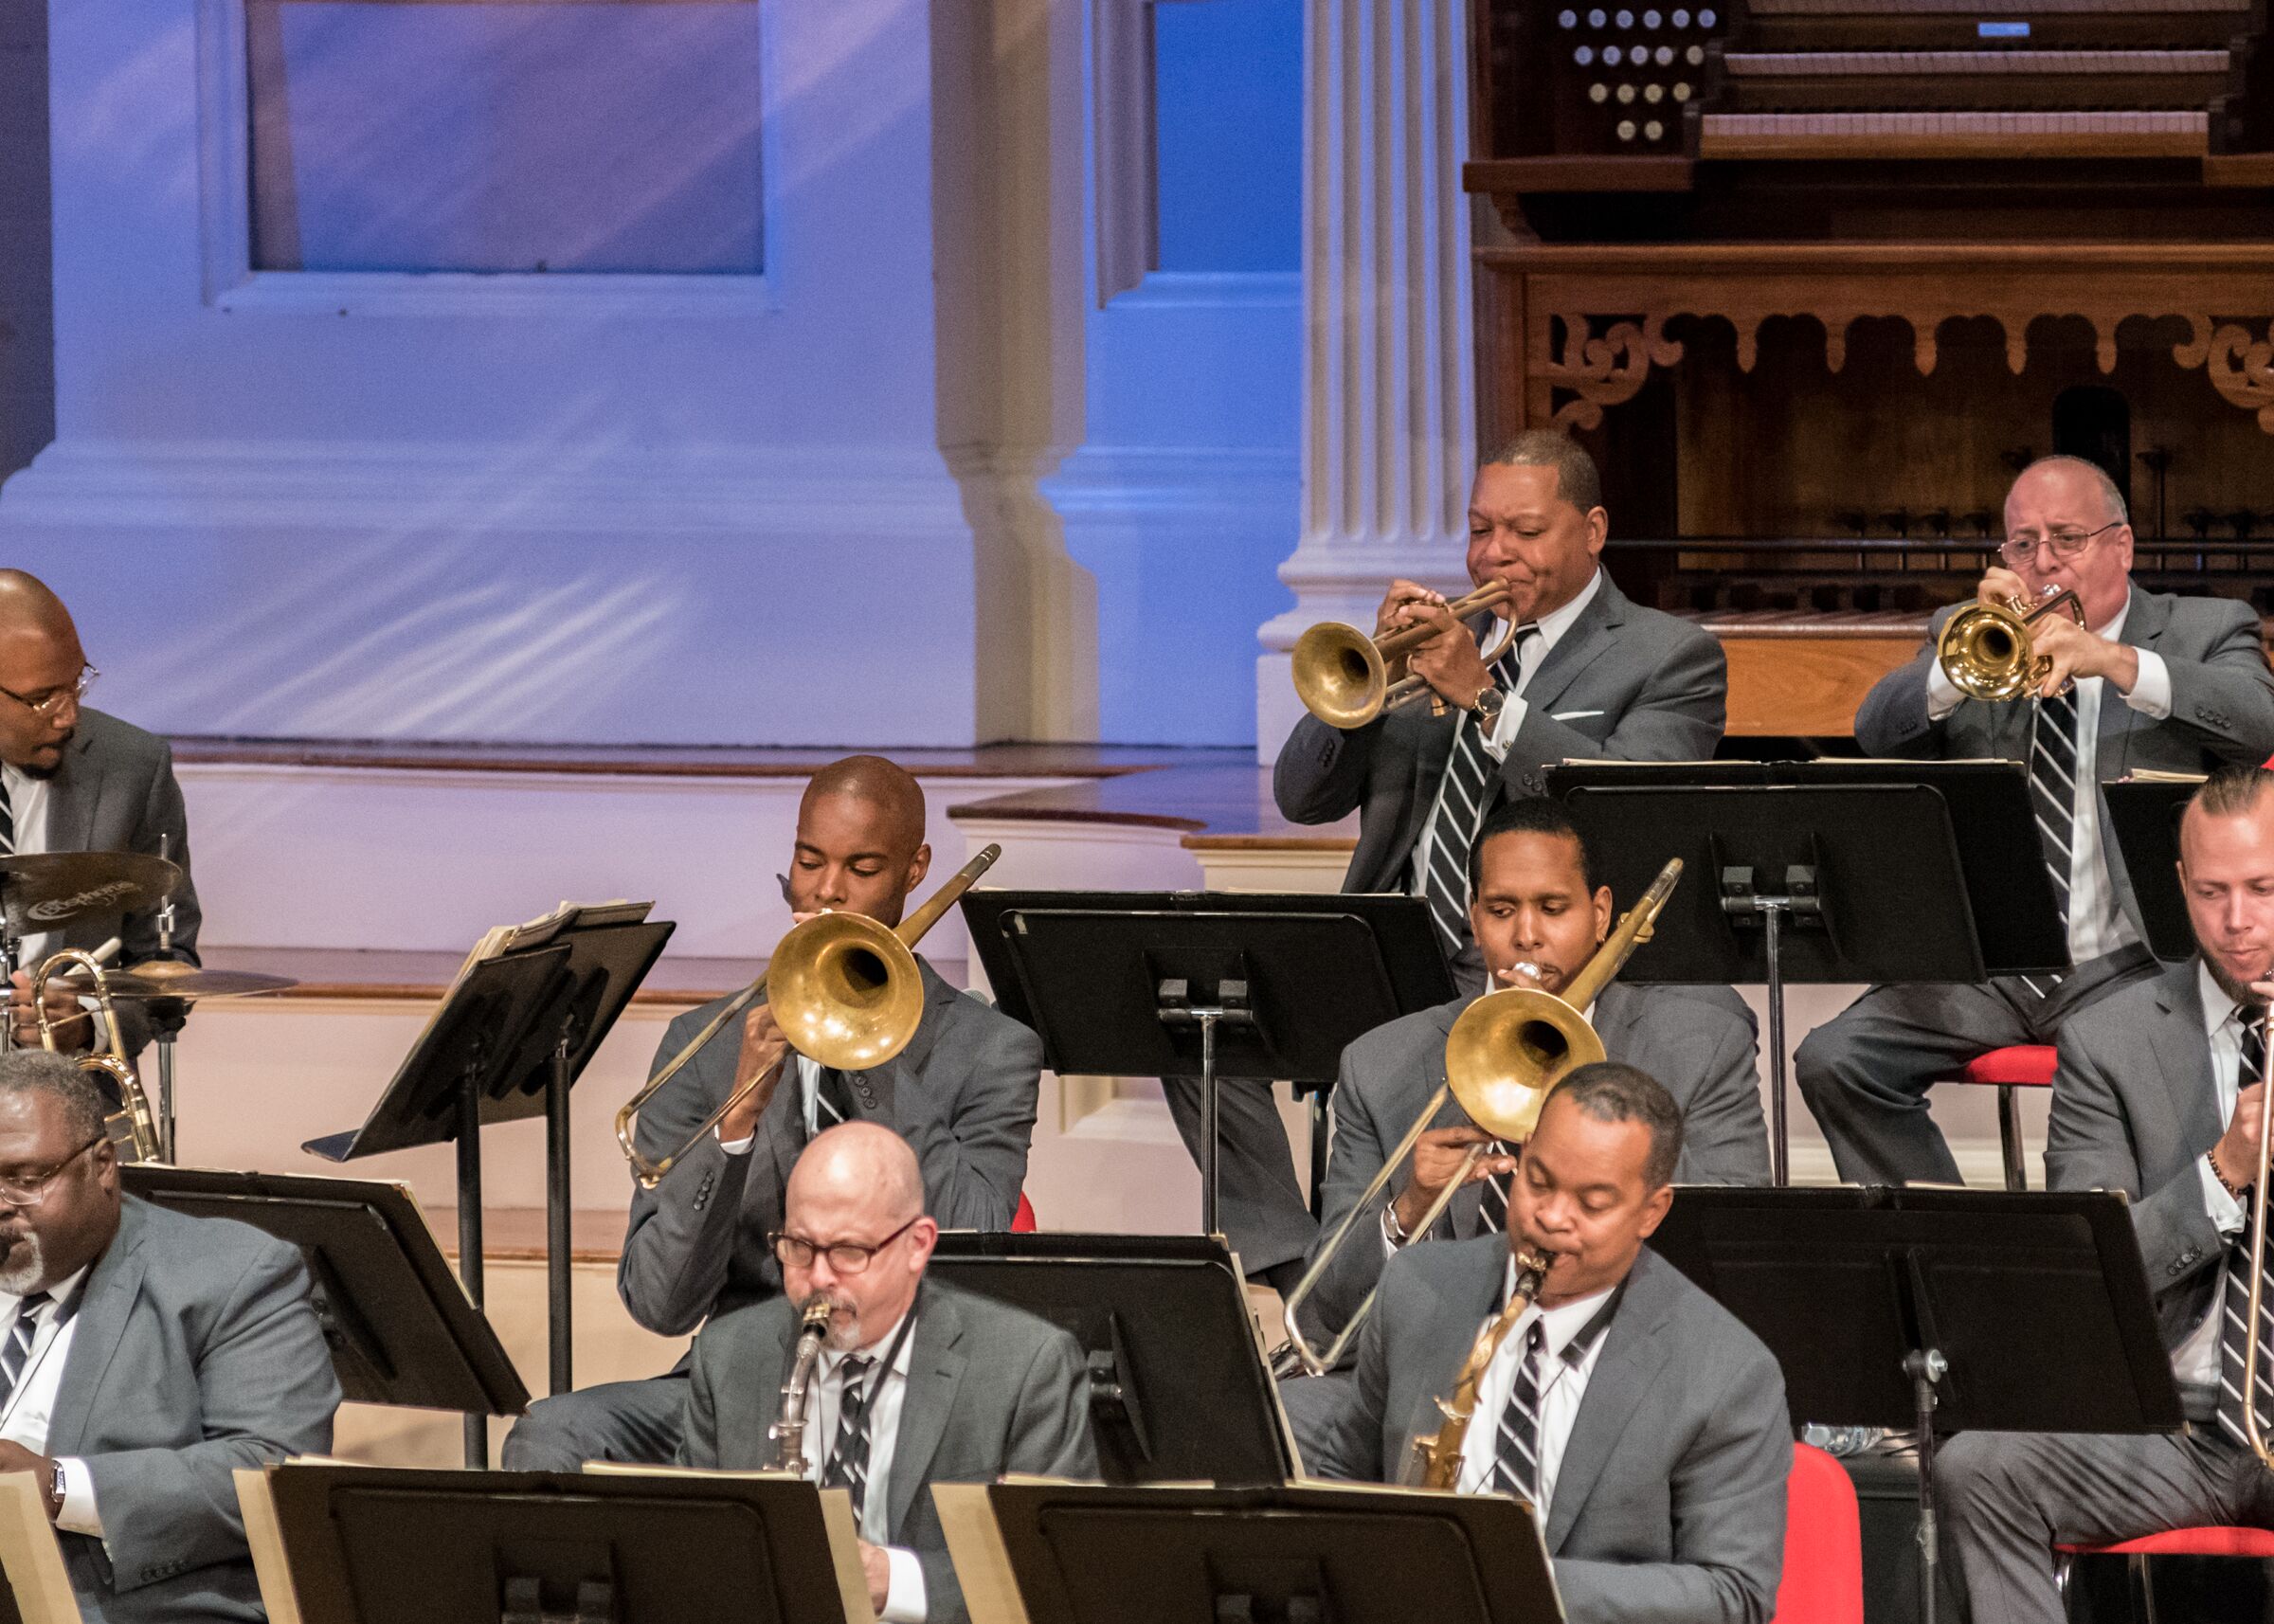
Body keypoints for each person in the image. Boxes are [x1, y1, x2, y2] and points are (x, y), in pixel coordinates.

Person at [1195, 432, 1727, 1285]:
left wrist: (1485, 696)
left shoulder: (1667, 656)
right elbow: (1302, 798)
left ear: (1592, 531)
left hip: (1525, 965)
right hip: (1381, 947)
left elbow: (1633, 810)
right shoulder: (1442, 642)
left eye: (1523, 530)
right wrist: (1363, 688)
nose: (1494, 553)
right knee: (1201, 1021)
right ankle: (1310, 1277)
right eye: (1480, 530)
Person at [502, 756, 1044, 1471]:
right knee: (551, 1433)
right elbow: (659, 1304)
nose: (826, 890)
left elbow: (975, 1229)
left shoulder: (992, 1050)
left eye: (863, 867)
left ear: (916, 870)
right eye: (809, 860)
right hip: (737, 1388)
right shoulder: (705, 1048)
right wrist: (736, 1123)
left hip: (911, 1394)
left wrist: (860, 1038)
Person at [1798, 455, 2274, 1186]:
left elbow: (2259, 722)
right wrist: (1958, 663)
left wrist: (2116, 661)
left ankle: (2122, 1258)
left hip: (2134, 963)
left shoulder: (2205, 628)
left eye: (2066, 539)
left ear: (2121, 545)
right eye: (2022, 543)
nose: (2042, 560)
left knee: (2116, 1100)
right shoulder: (1969, 633)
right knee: (1835, 1059)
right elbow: (1875, 730)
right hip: (1997, 973)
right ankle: (1956, 1252)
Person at [1940, 766, 2274, 1622]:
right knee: (1977, 1467)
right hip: (2183, 1432)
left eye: (2264, 889)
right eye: (2211, 893)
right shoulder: (2109, 1042)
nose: (2237, 923)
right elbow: (2091, 1278)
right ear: (2179, 887)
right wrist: (2225, 1169)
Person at [1287, 800, 1769, 1392]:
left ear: (1600, 914)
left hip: (1622, 1372)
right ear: (1473, 918)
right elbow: (1324, 1318)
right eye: (1501, 910)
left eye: (1553, 908)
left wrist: (1593, 1098)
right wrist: (1410, 1207)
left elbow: (1740, 1260)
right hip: (1436, 1371)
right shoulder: (1380, 1064)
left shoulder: (1701, 1045)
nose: (1527, 935)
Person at [1304, 1063, 1790, 1624]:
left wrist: (1509, 1577)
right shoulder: (1416, 1286)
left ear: (1652, 1211)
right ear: (1525, 1150)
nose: (1551, 1218)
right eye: (1539, 1180)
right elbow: (1344, 1478)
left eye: (1593, 1203)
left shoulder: (1727, 1370)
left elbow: (1736, 1595)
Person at [680, 1122, 1096, 1624]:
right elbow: (693, 1555)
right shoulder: (727, 1356)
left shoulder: (1028, 1367)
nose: (818, 1279)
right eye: (799, 1247)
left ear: (918, 1245)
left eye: (849, 1252)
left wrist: (892, 1581)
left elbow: (1057, 1579)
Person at [0, 1050, 338, 1623]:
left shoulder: (234, 1274)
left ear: (102, 1164)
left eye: (23, 1179)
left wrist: (59, 1486)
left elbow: (272, 1469)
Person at [0, 571, 201, 1062]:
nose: (68, 715)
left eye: (77, 684)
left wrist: (89, 1024)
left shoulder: (132, 767)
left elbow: (166, 959)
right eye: (43, 697)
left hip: (69, 1092)